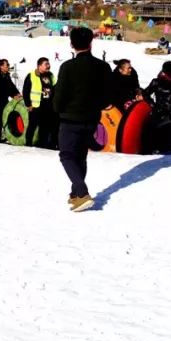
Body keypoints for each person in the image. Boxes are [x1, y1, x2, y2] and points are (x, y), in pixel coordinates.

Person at [52, 26, 111, 212]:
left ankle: (83, 193)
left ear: (72, 44)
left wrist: (58, 108)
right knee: (80, 156)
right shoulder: (103, 66)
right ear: (91, 43)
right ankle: (76, 193)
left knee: (67, 155)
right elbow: (109, 95)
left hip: (70, 118)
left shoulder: (68, 67)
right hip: (92, 118)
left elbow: (59, 95)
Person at [23, 57, 57, 148]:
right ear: (39, 66)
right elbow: (25, 91)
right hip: (35, 106)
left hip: (48, 107)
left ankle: (43, 146)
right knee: (32, 126)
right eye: (46, 64)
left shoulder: (50, 75)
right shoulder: (31, 75)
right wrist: (28, 105)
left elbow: (55, 88)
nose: (48, 66)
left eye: (48, 64)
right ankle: (28, 145)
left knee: (45, 127)